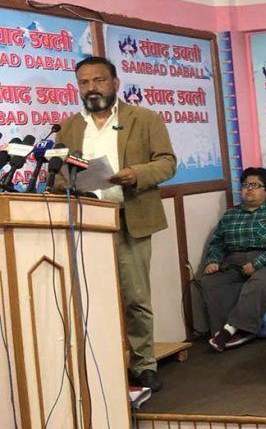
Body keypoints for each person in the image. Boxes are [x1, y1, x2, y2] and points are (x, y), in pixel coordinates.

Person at [56, 56, 176, 391]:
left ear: (115, 83)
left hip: (128, 218)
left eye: (98, 80)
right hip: (86, 223)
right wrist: (66, 183)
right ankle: (101, 363)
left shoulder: (145, 119)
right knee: (91, 296)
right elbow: (59, 171)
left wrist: (136, 173)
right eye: (84, 82)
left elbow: (167, 162)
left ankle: (143, 364)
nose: (91, 88)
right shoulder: (69, 127)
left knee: (135, 298)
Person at [199, 167, 266, 352]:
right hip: (233, 260)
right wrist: (213, 261)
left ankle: (235, 330)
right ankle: (221, 331)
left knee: (258, 282)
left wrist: (257, 263)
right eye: (245, 185)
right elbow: (217, 242)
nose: (249, 189)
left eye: (255, 185)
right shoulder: (230, 215)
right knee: (211, 281)